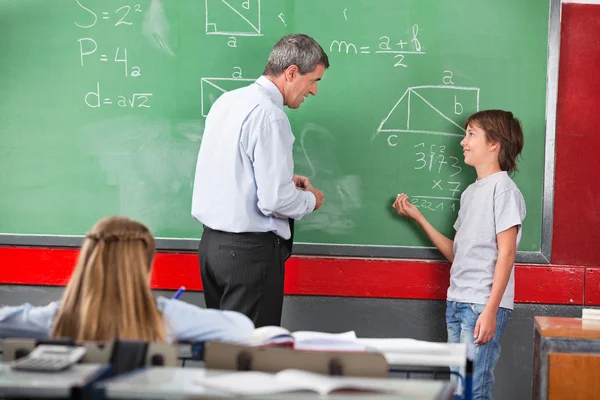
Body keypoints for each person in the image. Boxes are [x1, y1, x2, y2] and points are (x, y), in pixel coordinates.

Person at [191, 34, 329, 327]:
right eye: (313, 80)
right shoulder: (270, 116)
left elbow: (232, 169)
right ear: (291, 72)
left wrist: (283, 180)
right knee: (249, 356)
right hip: (248, 256)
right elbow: (274, 200)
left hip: (212, 248)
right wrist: (310, 200)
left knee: (223, 348)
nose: (314, 91)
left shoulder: (227, 101)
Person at [392, 110, 526, 399]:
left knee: (473, 391)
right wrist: (419, 218)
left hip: (481, 305)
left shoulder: (503, 190)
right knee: (458, 391)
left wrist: (490, 310)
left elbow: (507, 254)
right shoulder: (470, 193)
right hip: (457, 301)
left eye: (471, 134)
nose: (463, 142)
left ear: (494, 143)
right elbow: (457, 253)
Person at [0, 216, 254, 343]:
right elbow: (242, 327)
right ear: (143, 266)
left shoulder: (56, 318)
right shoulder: (165, 317)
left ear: (88, 261)